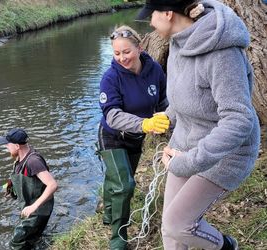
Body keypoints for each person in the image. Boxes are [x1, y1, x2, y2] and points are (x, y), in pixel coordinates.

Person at [137, 0, 261, 250]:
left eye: (152, 14)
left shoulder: (222, 53)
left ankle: (227, 246)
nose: (149, 22)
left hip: (226, 153)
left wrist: (188, 162)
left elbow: (239, 120)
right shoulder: (178, 42)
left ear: (168, 13)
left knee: (178, 225)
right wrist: (168, 116)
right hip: (186, 142)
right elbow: (189, 97)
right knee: (169, 233)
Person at [98, 25, 170, 249]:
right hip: (111, 136)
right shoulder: (110, 77)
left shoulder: (155, 69)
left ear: (139, 47)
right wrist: (145, 123)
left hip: (136, 138)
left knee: (118, 178)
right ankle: (118, 237)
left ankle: (108, 211)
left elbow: (163, 101)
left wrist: (167, 118)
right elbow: (112, 116)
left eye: (126, 52)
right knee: (125, 185)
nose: (121, 58)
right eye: (117, 53)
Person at [0, 128, 58, 249]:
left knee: (16, 243)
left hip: (38, 210)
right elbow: (21, 176)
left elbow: (52, 185)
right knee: (31, 239)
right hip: (28, 206)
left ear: (16, 146)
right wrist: (10, 186)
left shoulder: (33, 161)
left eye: (7, 145)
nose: (6, 147)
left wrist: (33, 206)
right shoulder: (19, 158)